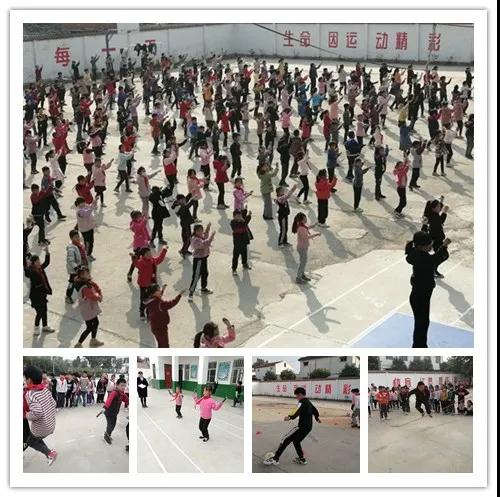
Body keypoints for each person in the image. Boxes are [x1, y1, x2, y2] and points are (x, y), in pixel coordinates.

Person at [405, 231, 452, 347]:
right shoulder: (424, 259)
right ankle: (419, 346)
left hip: (417, 296)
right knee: (422, 323)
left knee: (421, 323)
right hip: (421, 297)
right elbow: (436, 259)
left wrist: (425, 226)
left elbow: (433, 258)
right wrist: (444, 246)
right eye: (430, 244)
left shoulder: (414, 253)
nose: (431, 245)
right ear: (422, 246)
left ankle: (419, 345)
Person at [263, 387, 321, 466]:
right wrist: (317, 418)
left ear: (300, 394)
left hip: (301, 427)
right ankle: (302, 459)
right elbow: (315, 410)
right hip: (308, 427)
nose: (296, 398)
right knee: (296, 441)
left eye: (296, 396)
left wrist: (290, 417)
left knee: (285, 439)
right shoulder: (308, 401)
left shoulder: (302, 402)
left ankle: (275, 458)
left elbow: (296, 410)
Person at [23, 365, 57, 465]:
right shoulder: (45, 389)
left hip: (41, 428)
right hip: (50, 425)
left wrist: (27, 415)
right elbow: (54, 403)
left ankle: (50, 453)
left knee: (30, 442)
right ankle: (50, 452)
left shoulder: (30, 394)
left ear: (29, 380)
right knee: (34, 439)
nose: (24, 380)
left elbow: (37, 412)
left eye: (25, 378)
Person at [129, 246, 167, 320]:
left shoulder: (153, 260)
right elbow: (136, 264)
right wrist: (133, 257)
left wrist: (164, 250)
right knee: (144, 300)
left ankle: (149, 313)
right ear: (143, 255)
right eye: (147, 254)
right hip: (144, 285)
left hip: (152, 284)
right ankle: (142, 312)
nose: (150, 254)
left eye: (150, 253)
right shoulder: (141, 262)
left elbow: (160, 259)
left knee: (151, 300)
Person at [24, 248, 55, 336]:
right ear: (33, 263)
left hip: (42, 294)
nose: (39, 262)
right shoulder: (31, 270)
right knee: (40, 312)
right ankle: (36, 327)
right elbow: (27, 273)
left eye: (39, 260)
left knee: (44, 310)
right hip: (35, 296)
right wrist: (26, 265)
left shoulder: (40, 268)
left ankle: (45, 326)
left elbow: (47, 262)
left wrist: (47, 252)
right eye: (37, 261)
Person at [73, 266, 104, 348]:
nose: (89, 274)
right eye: (86, 273)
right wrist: (99, 297)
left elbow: (96, 286)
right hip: (87, 310)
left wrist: (99, 292)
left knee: (96, 323)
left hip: (90, 308)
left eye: (88, 272)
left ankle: (93, 340)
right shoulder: (84, 287)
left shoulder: (88, 282)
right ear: (82, 275)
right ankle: (79, 344)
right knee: (89, 327)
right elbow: (92, 295)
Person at [422, 198, 450, 278]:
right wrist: (444, 212)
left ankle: (433, 269)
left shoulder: (433, 214)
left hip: (437, 239)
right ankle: (432, 269)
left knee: (441, 255)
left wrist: (441, 202)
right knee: (443, 255)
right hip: (436, 239)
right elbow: (441, 221)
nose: (440, 208)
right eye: (438, 206)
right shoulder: (434, 217)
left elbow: (439, 217)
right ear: (433, 208)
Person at [188, 223, 215, 303]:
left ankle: (203, 288)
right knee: (196, 276)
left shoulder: (200, 237)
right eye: (199, 231)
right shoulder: (195, 240)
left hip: (204, 258)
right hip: (198, 260)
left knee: (205, 273)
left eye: (201, 230)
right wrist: (211, 236)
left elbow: (205, 236)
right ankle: (191, 293)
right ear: (195, 231)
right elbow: (205, 244)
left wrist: (207, 228)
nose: (201, 232)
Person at [292, 212, 321, 285]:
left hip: (303, 247)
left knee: (303, 262)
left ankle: (302, 275)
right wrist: (316, 234)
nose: (306, 220)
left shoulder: (302, 226)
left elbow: (307, 228)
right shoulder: (301, 228)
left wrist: (313, 225)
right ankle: (298, 278)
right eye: (305, 219)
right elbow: (306, 237)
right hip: (302, 248)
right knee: (302, 263)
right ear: (301, 220)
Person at [102, 377, 129, 446]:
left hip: (114, 413)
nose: (123, 387)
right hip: (109, 412)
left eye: (124, 385)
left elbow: (127, 400)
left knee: (113, 425)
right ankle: (106, 437)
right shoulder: (114, 392)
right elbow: (109, 400)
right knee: (111, 425)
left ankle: (108, 435)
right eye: (121, 385)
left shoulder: (122, 394)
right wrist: (104, 407)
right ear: (117, 385)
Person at [65, 229, 87, 304]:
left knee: (83, 281)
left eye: (78, 236)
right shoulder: (71, 248)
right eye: (75, 237)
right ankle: (68, 296)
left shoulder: (79, 244)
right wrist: (76, 268)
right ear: (71, 238)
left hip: (81, 267)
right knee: (72, 283)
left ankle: (84, 294)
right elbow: (71, 260)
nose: (77, 238)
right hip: (74, 270)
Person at [230, 209, 252, 274]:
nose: (239, 217)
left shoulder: (242, 222)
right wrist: (246, 219)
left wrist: (248, 215)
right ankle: (234, 269)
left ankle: (244, 264)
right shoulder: (233, 222)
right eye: (237, 216)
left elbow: (245, 223)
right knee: (235, 257)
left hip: (243, 242)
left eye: (240, 215)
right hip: (237, 244)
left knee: (244, 254)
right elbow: (241, 226)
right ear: (234, 216)